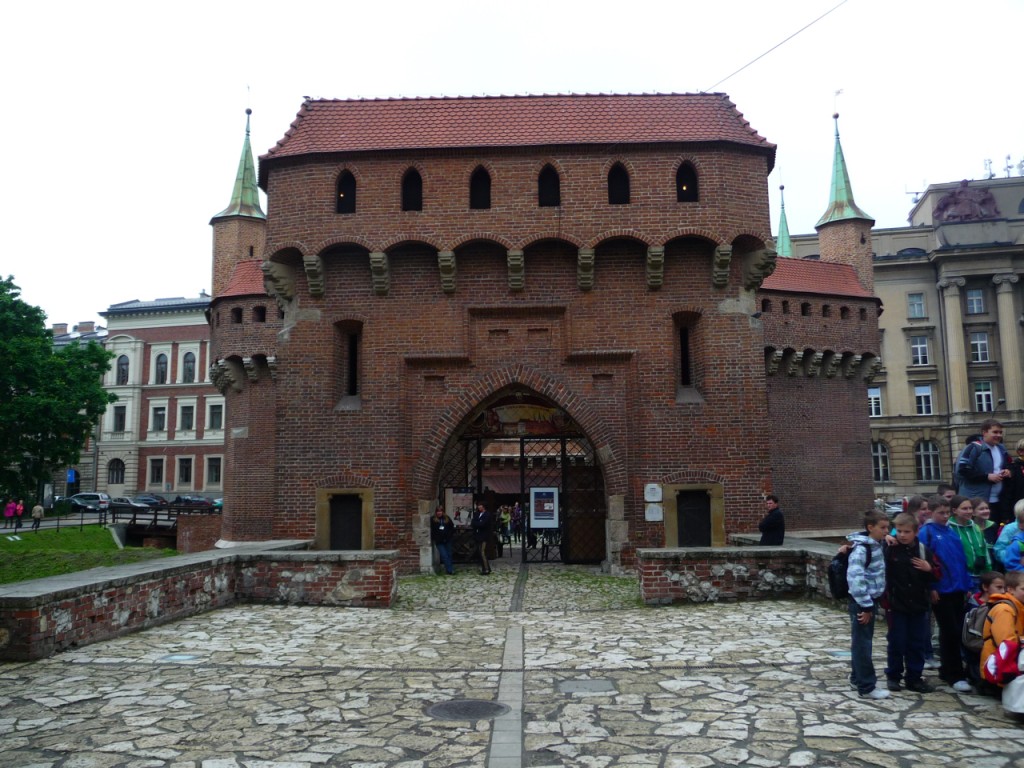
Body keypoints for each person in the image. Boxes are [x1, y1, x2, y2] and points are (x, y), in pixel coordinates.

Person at [918, 495, 974, 692]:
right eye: (940, 513)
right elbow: (924, 562)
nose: (944, 516)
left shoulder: (950, 531)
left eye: (947, 512)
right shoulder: (927, 533)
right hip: (941, 589)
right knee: (949, 630)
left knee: (957, 630)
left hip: (957, 587)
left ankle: (948, 668)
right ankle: (954, 674)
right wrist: (931, 586)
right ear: (931, 513)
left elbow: (959, 560)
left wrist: (966, 584)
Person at [884, 512, 939, 693]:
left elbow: (939, 573)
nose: (902, 535)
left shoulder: (923, 550)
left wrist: (929, 568)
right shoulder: (889, 548)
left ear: (915, 532)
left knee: (916, 643)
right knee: (896, 641)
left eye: (906, 531)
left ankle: (914, 677)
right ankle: (893, 676)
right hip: (896, 603)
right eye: (899, 531)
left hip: (918, 603)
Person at [847, 509, 891, 699]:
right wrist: (866, 606)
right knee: (863, 644)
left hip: (868, 601)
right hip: (862, 602)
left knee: (861, 641)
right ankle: (866, 686)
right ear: (870, 527)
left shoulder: (876, 545)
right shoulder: (862, 550)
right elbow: (855, 579)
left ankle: (857, 678)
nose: (886, 531)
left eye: (888, 527)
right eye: (883, 528)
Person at [956, 420, 1011, 525]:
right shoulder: (974, 447)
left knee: (993, 532)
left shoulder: (1001, 448)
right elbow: (962, 470)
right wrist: (987, 477)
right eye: (995, 432)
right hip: (976, 501)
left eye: (1000, 432)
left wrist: (1008, 471)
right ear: (984, 432)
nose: (998, 435)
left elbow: (1010, 465)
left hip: (997, 500)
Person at [979, 571, 1024, 692]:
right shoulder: (1004, 610)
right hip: (997, 673)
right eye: (1023, 589)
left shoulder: (1019, 608)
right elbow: (1007, 643)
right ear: (1010, 590)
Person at [965, 570, 1005, 692]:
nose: (1003, 591)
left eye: (1004, 588)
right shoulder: (975, 607)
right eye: (999, 587)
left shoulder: (1003, 605)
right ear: (985, 587)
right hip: (977, 647)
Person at [949, 495, 991, 585]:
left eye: (970, 508)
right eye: (964, 509)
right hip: (962, 576)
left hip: (980, 575)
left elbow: (984, 550)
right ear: (954, 510)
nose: (969, 511)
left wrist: (989, 572)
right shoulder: (949, 529)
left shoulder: (976, 527)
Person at [995, 499, 1024, 566]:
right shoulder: (1010, 529)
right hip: (1015, 570)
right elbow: (998, 551)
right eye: (1021, 521)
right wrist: (1016, 557)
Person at [430, 506, 456, 575]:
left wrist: (449, 535)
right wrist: (435, 538)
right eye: (438, 511)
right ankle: (450, 570)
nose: (439, 513)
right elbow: (432, 530)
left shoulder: (447, 519)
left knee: (449, 554)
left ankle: (449, 569)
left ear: (443, 512)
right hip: (439, 541)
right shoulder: (433, 519)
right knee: (444, 555)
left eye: (440, 511)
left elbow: (452, 528)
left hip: (447, 540)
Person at [470, 502, 493, 575]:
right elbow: (473, 523)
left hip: (484, 536)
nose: (479, 507)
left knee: (482, 552)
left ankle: (486, 569)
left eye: (480, 506)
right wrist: (477, 523)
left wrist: (477, 523)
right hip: (477, 536)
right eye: (478, 506)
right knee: (480, 552)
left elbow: (483, 524)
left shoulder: (487, 515)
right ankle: (485, 567)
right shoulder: (477, 514)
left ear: (483, 506)